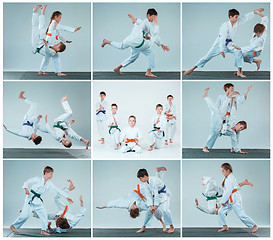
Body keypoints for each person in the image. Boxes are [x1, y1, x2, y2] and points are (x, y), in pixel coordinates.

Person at [184, 8, 264, 78]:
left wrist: (254, 12)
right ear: (230, 17)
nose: (237, 19)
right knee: (207, 56)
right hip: (220, 44)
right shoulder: (224, 26)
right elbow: (222, 38)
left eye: (237, 17)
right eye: (236, 17)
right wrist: (221, 50)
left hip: (230, 43)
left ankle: (240, 72)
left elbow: (244, 18)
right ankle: (193, 68)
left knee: (238, 52)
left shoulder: (236, 22)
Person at [96, 168, 168, 233]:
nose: (135, 206)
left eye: (133, 207)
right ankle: (162, 224)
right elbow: (150, 208)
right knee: (153, 210)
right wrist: (152, 207)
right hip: (145, 195)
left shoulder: (125, 205)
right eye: (136, 207)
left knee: (155, 184)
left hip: (140, 189)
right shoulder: (140, 207)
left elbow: (115, 204)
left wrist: (105, 206)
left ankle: (157, 173)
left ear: (131, 209)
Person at [102, 9, 169, 77]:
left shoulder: (141, 23)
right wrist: (161, 44)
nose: (155, 19)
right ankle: (148, 72)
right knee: (151, 54)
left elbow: (139, 26)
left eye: (156, 17)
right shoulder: (146, 23)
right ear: (148, 15)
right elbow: (154, 34)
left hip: (130, 40)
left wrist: (134, 19)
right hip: (137, 42)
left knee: (126, 50)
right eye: (154, 17)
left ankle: (117, 66)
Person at [10, 166, 73, 236]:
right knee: (25, 216)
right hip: (30, 198)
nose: (52, 175)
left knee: (44, 213)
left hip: (38, 201)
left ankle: (43, 230)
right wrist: (26, 189)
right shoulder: (37, 179)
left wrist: (67, 197)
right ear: (46, 173)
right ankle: (13, 226)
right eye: (51, 174)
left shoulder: (49, 184)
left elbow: (57, 190)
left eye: (52, 174)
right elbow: (27, 182)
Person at [202, 88, 248, 154]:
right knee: (215, 111)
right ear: (238, 124)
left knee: (236, 134)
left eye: (242, 129)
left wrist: (239, 150)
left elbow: (235, 141)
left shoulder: (233, 133)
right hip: (217, 124)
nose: (240, 129)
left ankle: (233, 149)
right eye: (240, 127)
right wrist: (233, 102)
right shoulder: (232, 123)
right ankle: (205, 96)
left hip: (220, 127)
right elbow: (233, 113)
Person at [39, 9, 82, 76]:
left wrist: (65, 40)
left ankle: (41, 71)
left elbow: (59, 35)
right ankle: (58, 72)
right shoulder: (54, 23)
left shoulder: (54, 24)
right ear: (56, 16)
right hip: (50, 42)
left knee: (48, 57)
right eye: (60, 17)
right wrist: (74, 29)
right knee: (55, 57)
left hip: (51, 41)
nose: (60, 19)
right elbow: (63, 27)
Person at [218, 163, 258, 233]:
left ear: (228, 170)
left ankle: (254, 226)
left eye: (223, 171)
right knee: (220, 211)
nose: (222, 173)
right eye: (222, 171)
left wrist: (223, 201)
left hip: (235, 199)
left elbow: (228, 191)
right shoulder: (228, 178)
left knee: (241, 215)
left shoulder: (231, 178)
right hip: (229, 199)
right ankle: (224, 226)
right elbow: (234, 188)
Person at [137, 167, 174, 234]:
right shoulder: (146, 183)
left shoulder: (154, 181)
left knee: (165, 210)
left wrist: (154, 205)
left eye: (140, 178)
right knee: (150, 210)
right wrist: (151, 206)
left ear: (145, 176)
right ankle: (144, 227)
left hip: (164, 194)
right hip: (156, 196)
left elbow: (156, 194)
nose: (140, 180)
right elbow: (148, 195)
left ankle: (171, 226)